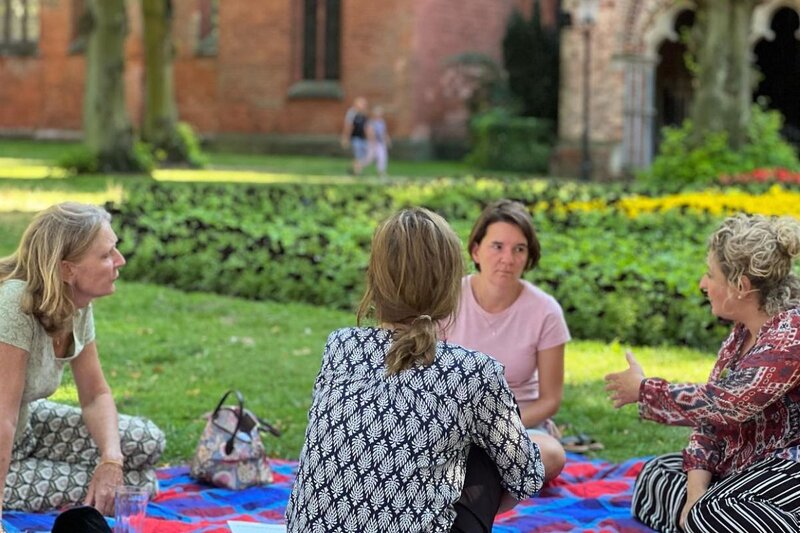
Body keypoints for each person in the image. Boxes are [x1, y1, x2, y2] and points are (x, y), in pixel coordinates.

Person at [286, 208, 544, 533]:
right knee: (485, 453)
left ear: (375, 278)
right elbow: (526, 478)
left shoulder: (340, 346)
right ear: (449, 283)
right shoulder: (475, 372)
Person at [605, 213, 800, 532]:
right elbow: (710, 423)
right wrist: (695, 494)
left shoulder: (791, 333)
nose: (702, 284)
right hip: (742, 470)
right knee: (656, 475)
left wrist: (644, 390)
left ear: (741, 286)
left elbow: (731, 403)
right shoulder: (740, 336)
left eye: (711, 275)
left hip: (789, 468)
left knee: (710, 512)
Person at [0, 202, 165, 523]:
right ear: (67, 270)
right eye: (106, 255)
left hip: (28, 424)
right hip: (6, 445)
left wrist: (111, 461)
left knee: (147, 440)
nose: (120, 260)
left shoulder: (76, 301)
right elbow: (2, 417)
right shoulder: (13, 306)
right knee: (138, 488)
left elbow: (94, 395)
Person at [443, 199, 569, 482]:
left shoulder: (546, 311)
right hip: (454, 424)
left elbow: (550, 400)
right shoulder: (447, 299)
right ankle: (487, 480)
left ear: (529, 256)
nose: (508, 259)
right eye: (497, 246)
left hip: (519, 427)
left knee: (552, 454)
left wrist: (496, 430)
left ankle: (472, 480)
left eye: (519, 249)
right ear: (476, 250)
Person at [340, 96, 369, 175]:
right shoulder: (352, 114)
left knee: (363, 156)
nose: (364, 106)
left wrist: (369, 138)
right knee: (358, 155)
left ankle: (352, 168)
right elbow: (348, 127)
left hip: (363, 138)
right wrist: (345, 138)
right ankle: (357, 172)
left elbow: (366, 127)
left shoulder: (364, 114)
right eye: (362, 104)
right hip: (355, 138)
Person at [362, 105, 392, 177]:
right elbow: (369, 133)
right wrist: (372, 142)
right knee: (369, 159)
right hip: (373, 143)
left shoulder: (382, 122)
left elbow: (384, 132)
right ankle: (357, 167)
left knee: (382, 157)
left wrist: (387, 139)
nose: (379, 115)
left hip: (380, 143)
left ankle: (380, 172)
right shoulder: (371, 122)